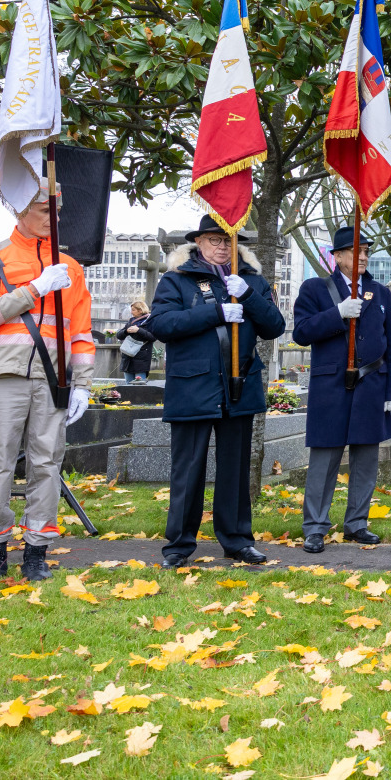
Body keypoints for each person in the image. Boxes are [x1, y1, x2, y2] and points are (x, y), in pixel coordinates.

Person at [0, 194, 94, 580]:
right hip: (0, 376)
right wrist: (35, 288)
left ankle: (36, 552)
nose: (55, 217)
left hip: (52, 381)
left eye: (58, 210)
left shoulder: (70, 267)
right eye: (45, 209)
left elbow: (81, 332)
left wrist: (83, 385)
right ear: (20, 209)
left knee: (47, 464)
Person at [149, 215, 285, 569]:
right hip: (193, 386)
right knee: (188, 471)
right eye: (215, 239)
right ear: (199, 242)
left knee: (234, 471)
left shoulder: (252, 280)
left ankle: (238, 541)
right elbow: (162, 324)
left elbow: (275, 326)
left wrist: (249, 296)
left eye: (228, 240)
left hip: (240, 385)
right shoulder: (177, 279)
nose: (223, 246)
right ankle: (179, 545)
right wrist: (216, 312)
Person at [292, 225, 391, 554]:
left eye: (366, 251)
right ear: (337, 256)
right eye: (357, 251)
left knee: (366, 460)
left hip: (371, 386)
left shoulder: (379, 293)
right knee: (324, 461)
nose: (364, 257)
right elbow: (301, 332)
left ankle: (357, 524)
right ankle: (315, 527)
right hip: (331, 387)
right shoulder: (315, 289)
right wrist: (337, 313)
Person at [120, 299, 156, 383]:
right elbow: (119, 335)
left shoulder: (150, 321)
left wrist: (138, 330)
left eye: (133, 310)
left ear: (140, 310)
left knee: (139, 387)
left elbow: (153, 337)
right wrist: (126, 331)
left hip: (141, 360)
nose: (131, 312)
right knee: (128, 386)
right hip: (128, 358)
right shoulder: (131, 321)